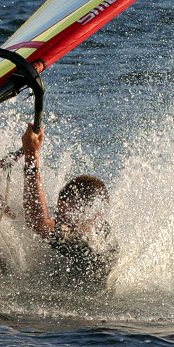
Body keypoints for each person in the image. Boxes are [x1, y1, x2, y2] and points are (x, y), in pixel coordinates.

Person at [21, 123, 118, 288]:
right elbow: (19, 213)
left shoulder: (89, 241)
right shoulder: (98, 228)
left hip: (78, 305)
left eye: (63, 207)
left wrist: (31, 154)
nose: (59, 213)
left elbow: (38, 222)